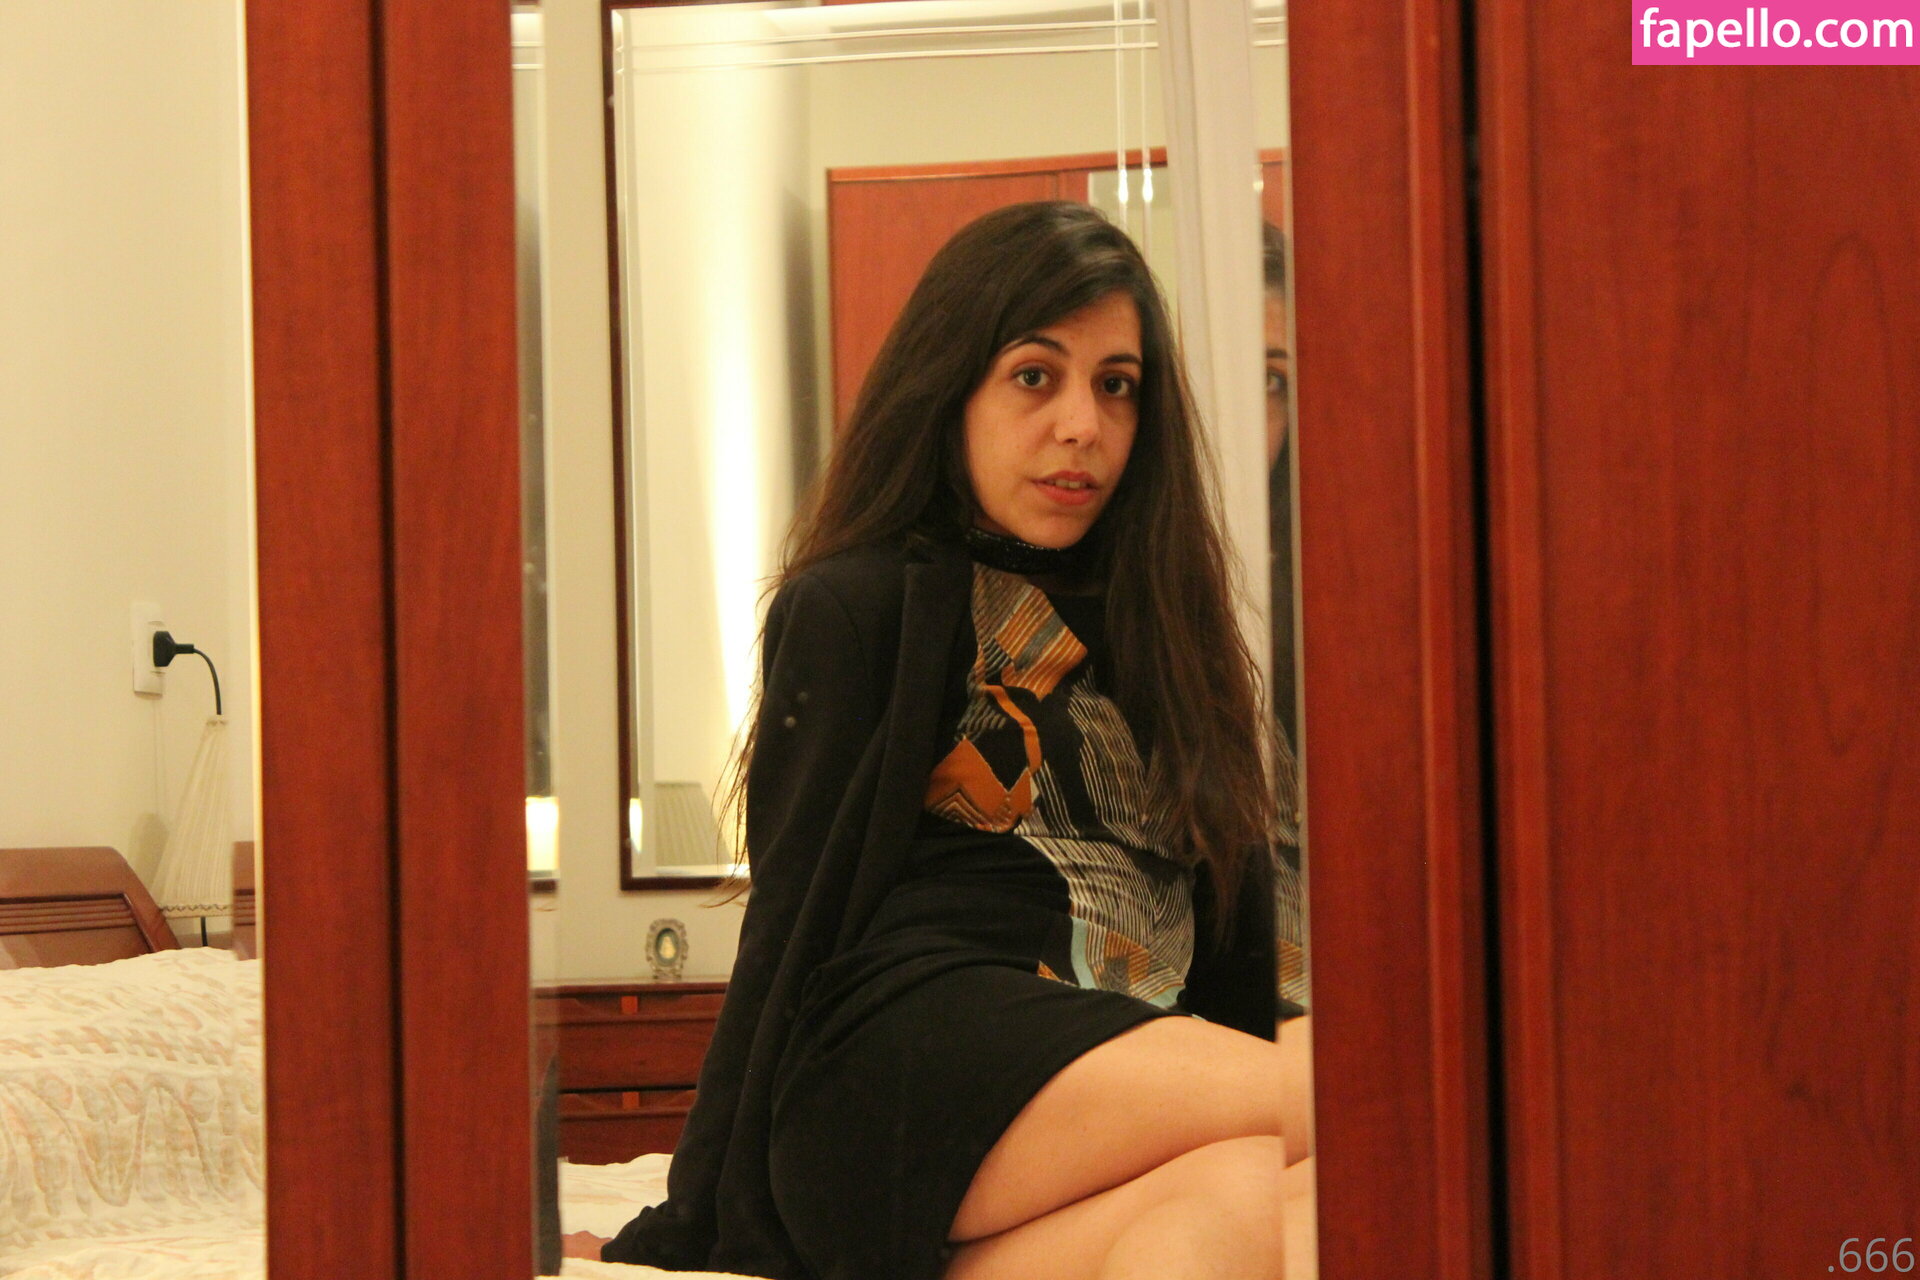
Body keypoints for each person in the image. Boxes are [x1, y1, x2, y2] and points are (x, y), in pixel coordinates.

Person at [590, 202, 1312, 1280]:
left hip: (1105, 1071)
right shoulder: (860, 604)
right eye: (1036, 376)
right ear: (952, 388)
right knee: (1387, 1092)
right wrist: (696, 1216)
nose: (1083, 424)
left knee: (1264, 1192)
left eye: (1117, 385)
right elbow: (789, 928)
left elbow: (1232, 926)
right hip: (910, 1059)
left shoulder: (1171, 623)